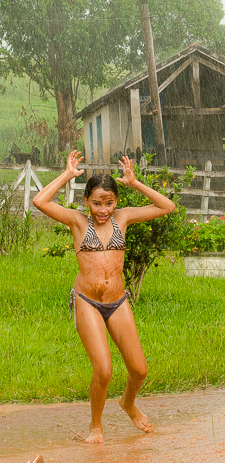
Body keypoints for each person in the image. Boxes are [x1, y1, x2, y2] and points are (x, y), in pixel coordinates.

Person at [33, 150, 176, 443]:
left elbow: (167, 206)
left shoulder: (122, 219)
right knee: (104, 369)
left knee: (139, 370)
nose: (103, 209)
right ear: (87, 202)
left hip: (118, 301)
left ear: (116, 202)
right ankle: (95, 426)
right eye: (97, 203)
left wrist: (134, 183)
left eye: (109, 203)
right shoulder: (77, 221)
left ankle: (127, 403)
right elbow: (39, 201)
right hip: (88, 302)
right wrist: (68, 175)